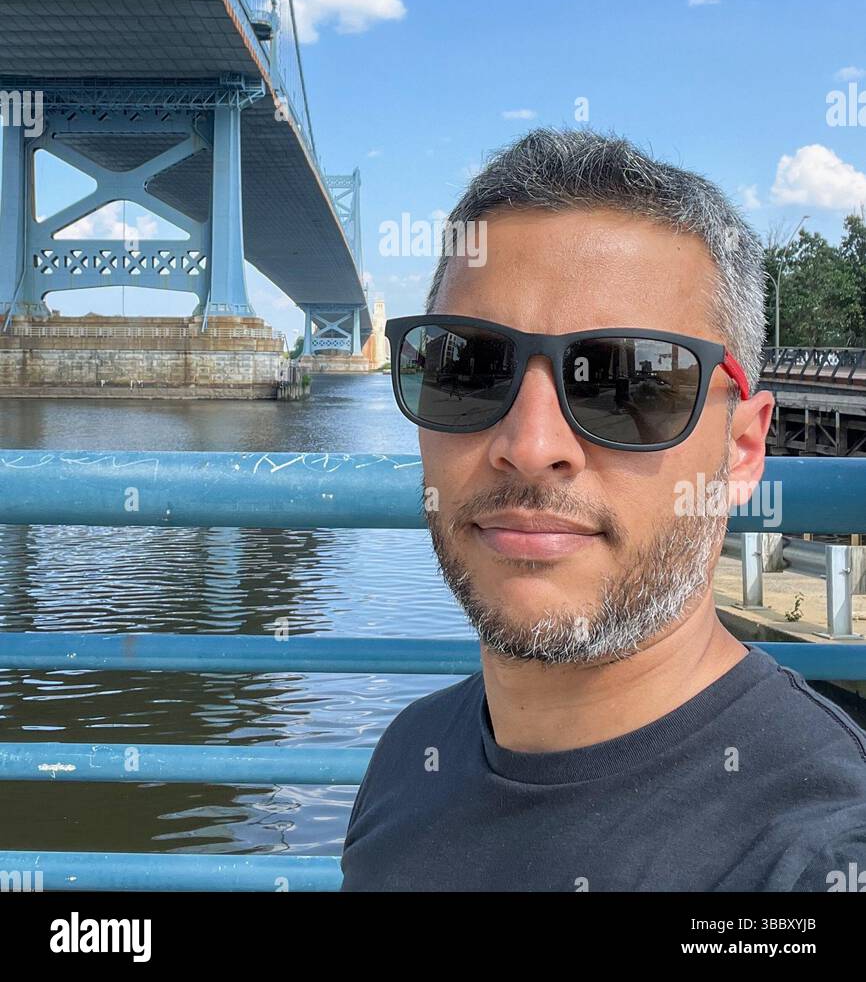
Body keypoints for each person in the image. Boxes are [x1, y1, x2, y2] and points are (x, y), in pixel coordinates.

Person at [341, 128, 866, 892]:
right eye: (468, 367)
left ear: (742, 453)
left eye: (628, 382)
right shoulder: (408, 754)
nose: (530, 443)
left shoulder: (817, 855)